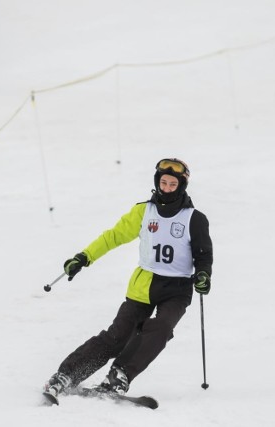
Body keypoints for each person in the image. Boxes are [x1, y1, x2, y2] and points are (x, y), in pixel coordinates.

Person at [44, 158, 213, 398]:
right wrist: (84, 257)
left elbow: (203, 254)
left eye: (172, 184)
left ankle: (120, 375)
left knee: (161, 328)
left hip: (177, 289)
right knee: (117, 336)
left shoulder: (194, 219)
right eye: (162, 182)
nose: (166, 188)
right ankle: (66, 375)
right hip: (143, 284)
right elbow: (114, 236)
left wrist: (204, 275)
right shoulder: (144, 211)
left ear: (181, 186)